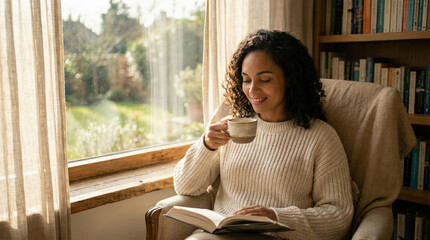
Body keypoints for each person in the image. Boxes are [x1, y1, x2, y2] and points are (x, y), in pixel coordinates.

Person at [174, 29, 353, 240]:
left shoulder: (320, 137)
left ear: (290, 79)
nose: (252, 90)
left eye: (265, 79)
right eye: (246, 79)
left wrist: (276, 217)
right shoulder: (231, 127)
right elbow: (185, 187)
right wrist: (206, 146)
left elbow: (339, 216)